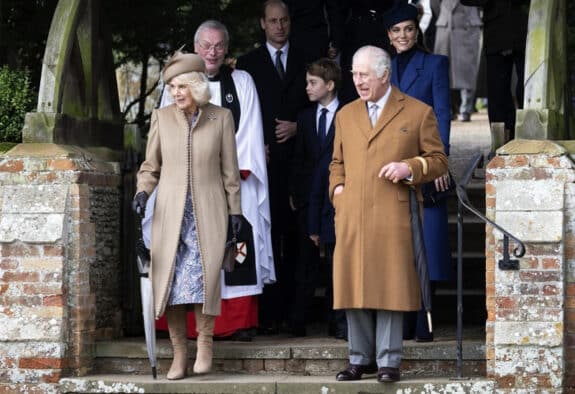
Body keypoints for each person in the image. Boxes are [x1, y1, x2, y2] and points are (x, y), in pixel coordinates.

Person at [329, 45, 448, 383]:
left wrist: (408, 167)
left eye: (363, 74)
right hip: (352, 213)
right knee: (354, 284)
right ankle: (359, 359)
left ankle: (388, 361)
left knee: (390, 287)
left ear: (384, 75)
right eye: (353, 73)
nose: (357, 80)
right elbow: (336, 163)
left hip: (394, 213)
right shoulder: (345, 114)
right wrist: (338, 192)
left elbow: (438, 160)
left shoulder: (417, 112)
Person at [157, 20, 275, 342]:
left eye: (219, 45)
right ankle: (190, 329)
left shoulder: (242, 81)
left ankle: (236, 322)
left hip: (234, 180)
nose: (212, 51)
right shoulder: (177, 84)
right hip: (190, 183)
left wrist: (231, 173)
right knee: (189, 251)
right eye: (206, 45)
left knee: (235, 248)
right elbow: (166, 135)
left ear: (226, 49)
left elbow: (250, 130)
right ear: (196, 47)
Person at [133, 52, 242, 379]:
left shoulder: (220, 118)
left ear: (196, 85)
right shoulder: (161, 118)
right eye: (171, 86)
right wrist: (142, 191)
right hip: (169, 214)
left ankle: (205, 342)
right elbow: (150, 167)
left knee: (204, 278)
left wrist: (235, 210)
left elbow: (230, 172)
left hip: (208, 211)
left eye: (181, 86)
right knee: (171, 282)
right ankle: (179, 353)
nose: (176, 92)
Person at [236, 0, 311, 334]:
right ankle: (268, 316)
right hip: (263, 163)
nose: (279, 26)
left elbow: (323, 104)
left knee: (298, 242)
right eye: (273, 21)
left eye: (284, 20)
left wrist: (298, 127)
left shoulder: (307, 56)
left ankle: (297, 318)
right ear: (262, 24)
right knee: (264, 238)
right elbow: (239, 114)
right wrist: (255, 146)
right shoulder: (247, 64)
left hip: (300, 161)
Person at [385, 1, 452, 342]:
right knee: (398, 249)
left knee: (429, 246)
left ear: (417, 30)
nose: (402, 35)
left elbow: (442, 113)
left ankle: (425, 322)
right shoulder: (384, 70)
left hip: (425, 165)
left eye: (408, 29)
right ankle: (400, 321)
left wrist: (439, 159)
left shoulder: (436, 64)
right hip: (391, 166)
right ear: (388, 35)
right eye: (396, 31)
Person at [289, 58, 346, 338]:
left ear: (330, 85)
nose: (307, 88)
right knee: (306, 262)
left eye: (313, 83)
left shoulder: (348, 114)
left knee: (337, 262)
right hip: (308, 199)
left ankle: (337, 321)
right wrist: (296, 195)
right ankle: (298, 320)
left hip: (337, 197)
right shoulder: (304, 117)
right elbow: (299, 159)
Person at [460, 0, 530, 138]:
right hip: (496, 32)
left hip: (527, 26)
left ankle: (528, 135)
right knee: (497, 92)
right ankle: (502, 139)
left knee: (527, 88)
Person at [433, 0, 482, 122]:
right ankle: (447, 108)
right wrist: (444, 16)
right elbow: (434, 3)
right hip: (446, 27)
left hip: (468, 26)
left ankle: (466, 108)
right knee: (443, 70)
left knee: (468, 69)